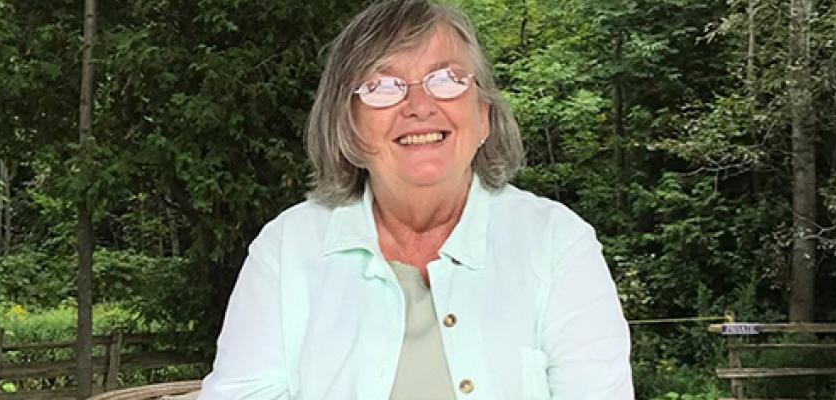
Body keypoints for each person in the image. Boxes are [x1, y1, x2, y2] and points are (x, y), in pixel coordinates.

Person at [198, 0, 633, 398]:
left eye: (446, 79)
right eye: (383, 86)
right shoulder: (287, 248)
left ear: (483, 115)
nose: (419, 105)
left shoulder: (557, 243)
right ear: (347, 127)